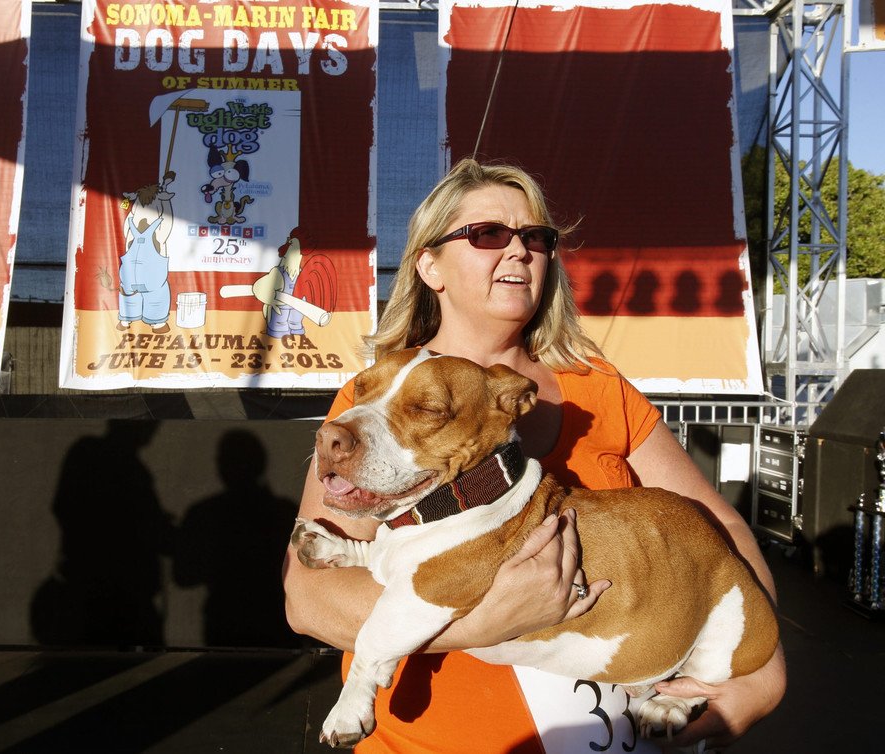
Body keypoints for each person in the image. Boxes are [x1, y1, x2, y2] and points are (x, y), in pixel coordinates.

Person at [282, 158, 786, 753]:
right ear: (429, 264)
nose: (519, 250)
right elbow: (308, 602)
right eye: (488, 234)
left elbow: (721, 526)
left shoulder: (598, 387)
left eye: (536, 237)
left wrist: (762, 666)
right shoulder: (368, 404)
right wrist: (487, 618)